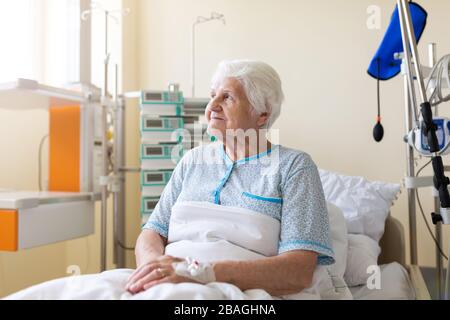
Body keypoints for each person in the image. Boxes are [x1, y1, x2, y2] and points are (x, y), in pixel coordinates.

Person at [126, 60, 334, 297]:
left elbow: (298, 271)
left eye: (227, 98)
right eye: (213, 95)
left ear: (262, 115)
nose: (212, 106)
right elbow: (152, 231)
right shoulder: (192, 161)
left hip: (242, 292)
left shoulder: (294, 166)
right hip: (163, 285)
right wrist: (153, 268)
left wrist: (197, 272)